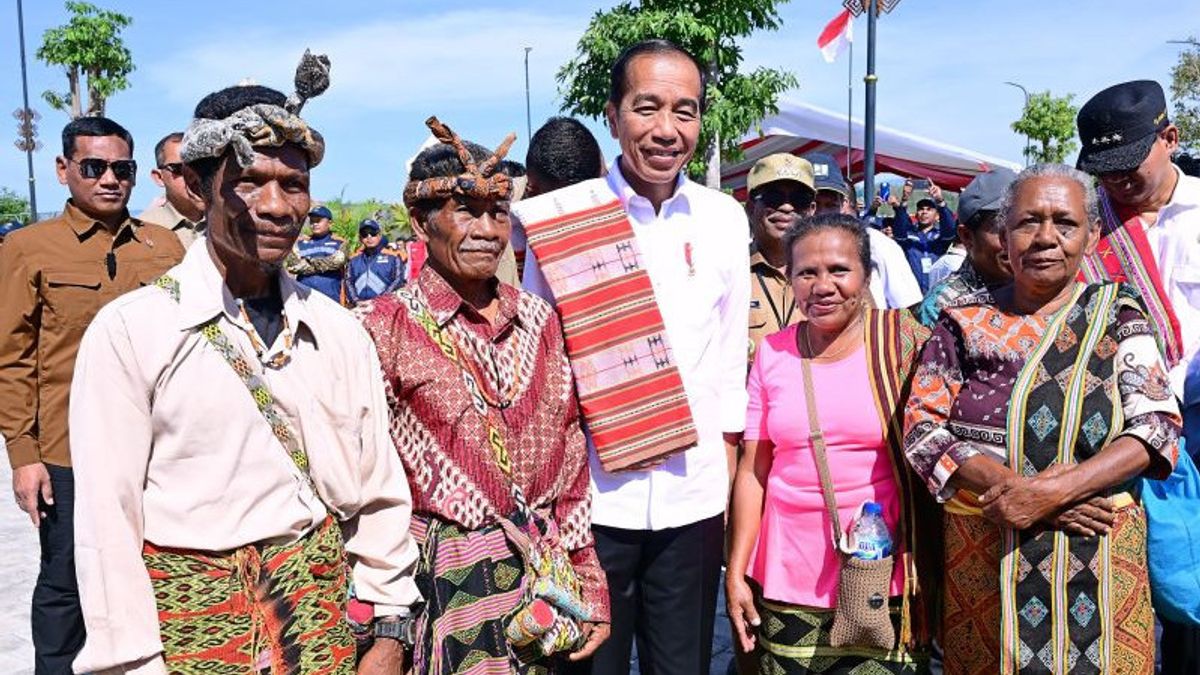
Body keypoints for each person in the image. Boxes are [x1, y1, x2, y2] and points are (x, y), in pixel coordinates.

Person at [69, 68, 422, 675]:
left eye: (294, 183)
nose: (277, 206)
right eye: (250, 181)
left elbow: (379, 493)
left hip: (325, 631)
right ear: (202, 188)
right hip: (191, 642)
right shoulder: (134, 332)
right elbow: (107, 522)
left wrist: (390, 630)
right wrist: (133, 663)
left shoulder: (339, 333)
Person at [515, 39, 750, 675]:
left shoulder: (725, 219)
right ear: (614, 117)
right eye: (648, 108)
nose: (667, 130)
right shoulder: (568, 217)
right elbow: (542, 361)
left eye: (686, 110)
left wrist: (723, 496)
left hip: (692, 503)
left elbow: (731, 368)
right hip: (593, 504)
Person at [904, 164, 1180, 674]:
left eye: (1065, 223)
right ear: (1004, 235)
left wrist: (1055, 492)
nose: (1045, 238)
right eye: (1029, 221)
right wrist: (1019, 492)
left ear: (1092, 235)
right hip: (986, 561)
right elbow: (922, 429)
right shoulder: (962, 322)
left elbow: (1157, 425)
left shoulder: (1118, 317)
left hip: (1095, 564)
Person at [358, 116, 609, 673]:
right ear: (421, 221)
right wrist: (386, 624)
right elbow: (363, 483)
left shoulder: (540, 319)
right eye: (465, 210)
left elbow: (570, 457)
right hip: (443, 585)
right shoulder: (381, 327)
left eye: (498, 212)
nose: (485, 230)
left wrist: (587, 570)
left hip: (545, 582)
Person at [0, 116, 185, 674]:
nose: (110, 179)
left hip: (155, 449)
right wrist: (23, 455)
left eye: (121, 168)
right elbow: (12, 357)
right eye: (93, 167)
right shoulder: (28, 247)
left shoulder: (166, 247)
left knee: (152, 573)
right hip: (66, 452)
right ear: (63, 170)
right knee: (65, 582)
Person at [727, 212, 935, 674]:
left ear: (866, 276)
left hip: (883, 575)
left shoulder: (903, 346)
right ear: (790, 279)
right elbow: (753, 471)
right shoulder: (772, 353)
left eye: (839, 270)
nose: (823, 286)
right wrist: (737, 571)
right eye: (807, 272)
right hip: (788, 574)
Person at [1074, 79, 1200, 675]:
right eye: (1105, 170)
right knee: (1146, 579)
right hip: (1125, 433)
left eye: (1128, 165)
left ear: (1169, 138)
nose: (1118, 182)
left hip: (1199, 418)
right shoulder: (1088, 227)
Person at [806, 152, 924, 310]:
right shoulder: (785, 251)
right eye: (812, 205)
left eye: (830, 205)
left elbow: (911, 311)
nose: (820, 213)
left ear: (844, 204)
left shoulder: (877, 245)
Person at [915, 167, 1017, 326]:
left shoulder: (1038, 290)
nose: (1018, 241)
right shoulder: (941, 307)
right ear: (967, 237)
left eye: (1026, 224)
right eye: (1001, 228)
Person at [510, 116, 606, 281]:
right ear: (532, 191)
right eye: (562, 207)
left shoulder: (613, 197)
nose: (575, 222)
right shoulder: (496, 227)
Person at [745, 153, 815, 358]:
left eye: (799, 200)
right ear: (751, 208)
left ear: (811, 210)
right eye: (773, 198)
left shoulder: (836, 275)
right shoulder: (728, 271)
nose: (786, 207)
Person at [138, 132, 206, 248]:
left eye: (200, 166)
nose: (193, 176)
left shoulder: (230, 224)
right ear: (159, 177)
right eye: (179, 169)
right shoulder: (141, 231)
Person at [891, 179, 957, 292]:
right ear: (916, 214)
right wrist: (905, 199)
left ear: (937, 216)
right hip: (913, 294)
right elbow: (898, 231)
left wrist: (940, 201)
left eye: (929, 209)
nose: (924, 212)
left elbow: (950, 229)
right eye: (921, 209)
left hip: (936, 294)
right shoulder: (909, 235)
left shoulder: (941, 236)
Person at [287, 204, 347, 302]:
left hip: (331, 299)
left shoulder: (340, 243)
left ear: (330, 223)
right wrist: (323, 264)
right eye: (312, 221)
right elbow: (293, 266)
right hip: (304, 299)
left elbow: (337, 262)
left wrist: (307, 264)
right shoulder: (300, 243)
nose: (314, 224)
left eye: (318, 220)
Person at [345, 218, 405, 304]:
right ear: (360, 238)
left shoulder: (393, 258)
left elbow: (398, 281)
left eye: (372, 233)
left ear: (379, 235)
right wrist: (356, 301)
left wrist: (379, 302)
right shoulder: (353, 261)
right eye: (364, 234)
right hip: (359, 308)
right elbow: (348, 282)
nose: (369, 237)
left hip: (384, 307)